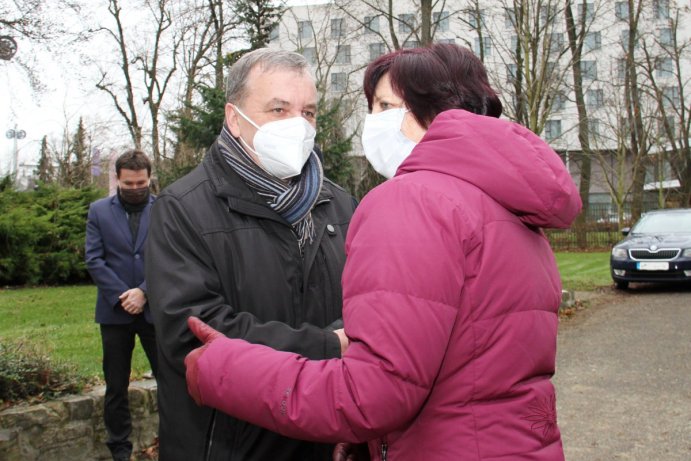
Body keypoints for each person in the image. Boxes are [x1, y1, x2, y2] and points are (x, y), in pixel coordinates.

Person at [183, 43, 583, 461]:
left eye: (384, 106)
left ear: (429, 111)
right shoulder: (503, 202)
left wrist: (225, 369)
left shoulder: (413, 201)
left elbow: (369, 397)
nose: (371, 121)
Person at [145, 48, 357, 460]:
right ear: (233, 118)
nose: (297, 124)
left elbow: (369, 303)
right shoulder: (183, 208)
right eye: (279, 109)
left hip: (326, 437)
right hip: (232, 444)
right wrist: (328, 346)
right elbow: (194, 334)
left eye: (308, 112)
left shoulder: (341, 205)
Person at [85, 149, 158, 461]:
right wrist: (124, 296)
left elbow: (171, 259)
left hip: (155, 311)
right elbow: (94, 259)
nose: (135, 188)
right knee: (116, 387)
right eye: (128, 183)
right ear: (117, 179)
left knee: (169, 381)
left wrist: (143, 292)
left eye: (140, 182)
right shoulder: (99, 211)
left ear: (149, 179)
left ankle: (173, 441)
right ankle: (119, 449)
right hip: (114, 314)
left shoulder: (165, 208)